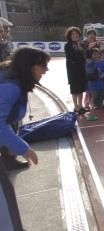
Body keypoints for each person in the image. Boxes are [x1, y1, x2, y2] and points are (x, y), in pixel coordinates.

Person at [0, 47, 49, 231]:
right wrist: (23, 147)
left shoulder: (13, 81)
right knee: (4, 202)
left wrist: (13, 141)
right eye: (42, 66)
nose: (45, 71)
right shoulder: (10, 87)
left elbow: (10, 118)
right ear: (29, 66)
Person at [64, 27, 87, 114]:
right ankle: (76, 106)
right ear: (70, 36)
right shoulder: (68, 46)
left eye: (76, 34)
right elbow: (71, 57)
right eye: (73, 34)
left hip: (81, 68)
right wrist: (78, 51)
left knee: (81, 88)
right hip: (72, 69)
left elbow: (85, 56)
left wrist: (82, 49)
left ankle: (81, 106)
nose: (75, 35)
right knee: (74, 88)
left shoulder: (81, 44)